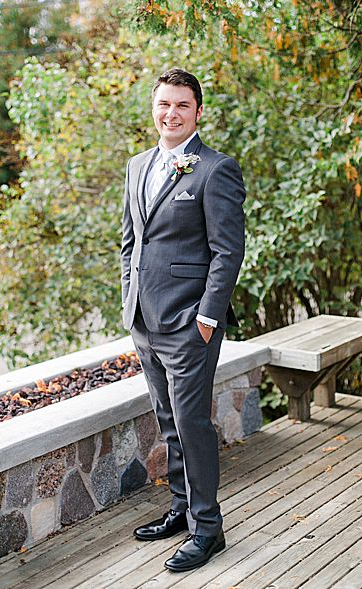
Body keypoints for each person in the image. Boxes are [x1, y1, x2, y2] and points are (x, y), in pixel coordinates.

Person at [120, 67, 245, 572]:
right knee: (167, 419)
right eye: (164, 104)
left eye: (181, 105)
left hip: (191, 323)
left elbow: (228, 251)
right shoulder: (137, 166)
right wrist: (129, 300)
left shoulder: (216, 169)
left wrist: (207, 319)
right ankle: (181, 508)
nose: (171, 114)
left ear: (198, 112)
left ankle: (208, 529)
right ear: (154, 108)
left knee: (192, 424)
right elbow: (130, 242)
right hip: (144, 321)